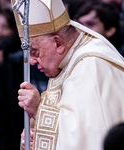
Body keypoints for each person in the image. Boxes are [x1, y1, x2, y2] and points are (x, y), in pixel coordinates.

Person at [10, 0, 124, 149]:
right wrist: (34, 138)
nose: (31, 61)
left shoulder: (92, 65)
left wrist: (39, 111)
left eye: (35, 52)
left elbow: (92, 139)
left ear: (58, 43)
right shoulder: (67, 61)